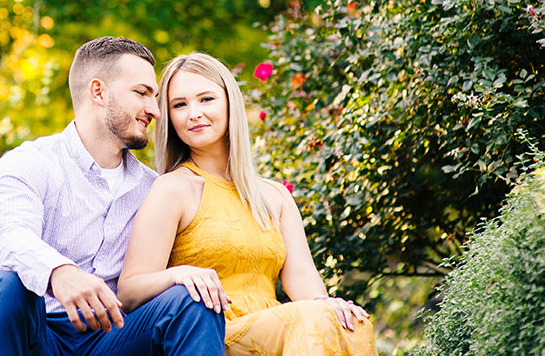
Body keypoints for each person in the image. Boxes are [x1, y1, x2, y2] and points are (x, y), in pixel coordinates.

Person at [0, 37, 227, 356]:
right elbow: (5, 235)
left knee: (190, 298)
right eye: (142, 93)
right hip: (37, 335)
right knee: (10, 286)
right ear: (98, 92)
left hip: (113, 339)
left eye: (155, 97)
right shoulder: (30, 162)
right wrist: (60, 272)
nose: (155, 111)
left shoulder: (153, 188)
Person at [117, 52, 377, 356]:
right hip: (212, 333)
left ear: (230, 103)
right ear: (170, 118)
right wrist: (179, 275)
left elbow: (303, 278)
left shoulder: (274, 196)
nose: (194, 113)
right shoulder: (173, 188)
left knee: (352, 322)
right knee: (311, 318)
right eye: (179, 105)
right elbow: (130, 289)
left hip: (278, 329)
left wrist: (328, 305)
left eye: (206, 99)